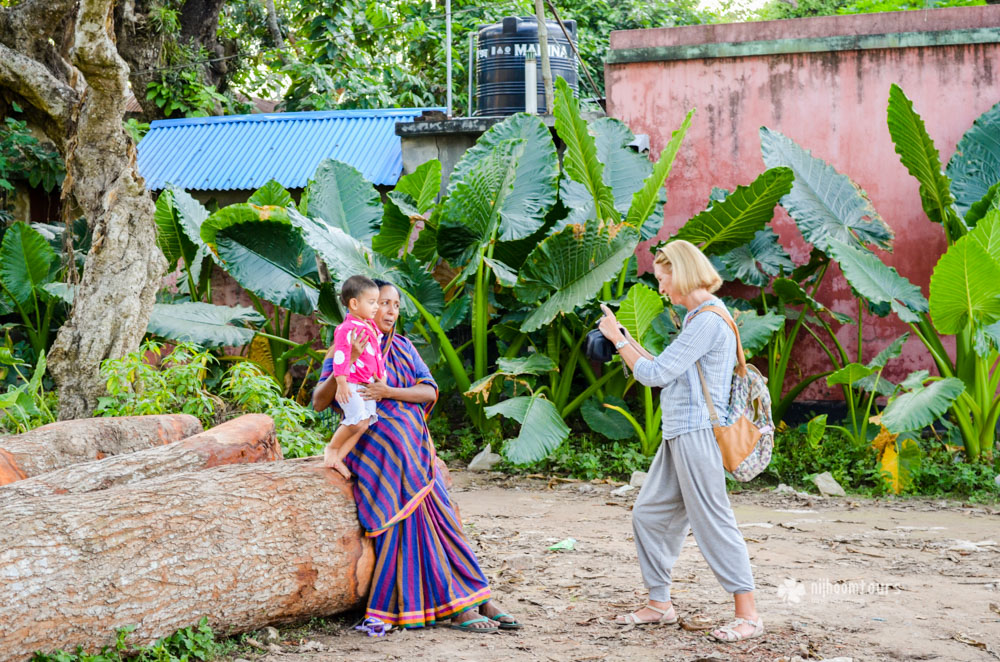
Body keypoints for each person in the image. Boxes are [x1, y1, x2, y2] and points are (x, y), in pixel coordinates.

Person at [313, 280, 521, 634]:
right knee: (422, 516)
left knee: (445, 522)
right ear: (366, 306)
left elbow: (427, 391)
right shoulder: (348, 341)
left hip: (415, 453)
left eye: (395, 305)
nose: (391, 311)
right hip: (376, 450)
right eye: (383, 303)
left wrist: (388, 390)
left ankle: (477, 596)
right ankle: (457, 606)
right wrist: (345, 362)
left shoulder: (405, 348)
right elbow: (319, 400)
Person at [597, 239, 763, 643]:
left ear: (681, 273)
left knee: (713, 522)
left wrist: (617, 341)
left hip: (697, 434)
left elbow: (652, 376)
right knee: (649, 515)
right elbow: (660, 367)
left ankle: (749, 614)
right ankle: (660, 604)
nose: (660, 287)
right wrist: (621, 334)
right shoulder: (696, 319)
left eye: (662, 278)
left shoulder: (708, 320)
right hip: (679, 433)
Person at [322, 275, 386, 480]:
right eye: (372, 302)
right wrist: (341, 383)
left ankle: (337, 459)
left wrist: (381, 379)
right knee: (356, 420)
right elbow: (340, 357)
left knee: (364, 423)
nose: (376, 306)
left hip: (366, 384)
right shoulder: (346, 329)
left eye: (377, 302)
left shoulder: (370, 327)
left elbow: (376, 355)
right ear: (354, 303)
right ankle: (331, 449)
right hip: (350, 382)